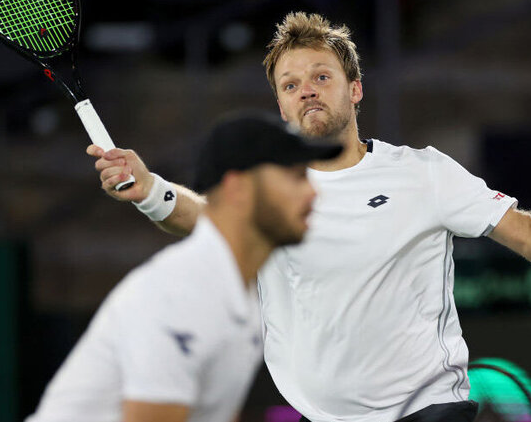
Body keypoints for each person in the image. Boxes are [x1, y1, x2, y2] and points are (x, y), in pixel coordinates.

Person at [87, 12, 531, 422]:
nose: (307, 91)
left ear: (354, 90)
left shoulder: (423, 173)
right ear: (280, 105)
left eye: (321, 77)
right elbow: (205, 219)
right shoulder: (267, 189)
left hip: (425, 412)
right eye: (291, 84)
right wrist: (149, 190)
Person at [27, 111, 343, 422]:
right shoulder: (182, 293)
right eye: (297, 177)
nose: (313, 192)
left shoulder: (237, 296)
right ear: (238, 189)